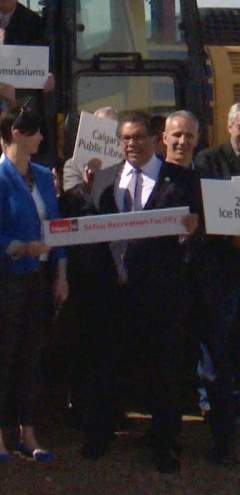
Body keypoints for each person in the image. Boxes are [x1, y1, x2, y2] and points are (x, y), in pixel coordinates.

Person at [64, 111, 200, 473]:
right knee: (104, 366)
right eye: (125, 139)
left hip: (160, 296)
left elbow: (200, 233)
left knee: (163, 374)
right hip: (112, 294)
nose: (132, 145)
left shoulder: (184, 181)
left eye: (139, 137)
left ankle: (165, 443)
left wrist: (190, 231)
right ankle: (99, 434)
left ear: (155, 139)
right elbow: (88, 227)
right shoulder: (105, 179)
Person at [0, 108, 68, 463]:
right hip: (7, 281)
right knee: (3, 355)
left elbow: (56, 225)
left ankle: (27, 431)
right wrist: (19, 247)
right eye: (36, 133)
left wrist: (61, 273)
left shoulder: (44, 176)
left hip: (40, 279)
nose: (42, 139)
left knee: (32, 355)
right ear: (16, 133)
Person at [188, 108, 240, 465]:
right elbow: (207, 213)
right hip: (221, 272)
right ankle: (223, 439)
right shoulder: (208, 160)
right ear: (230, 125)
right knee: (220, 358)